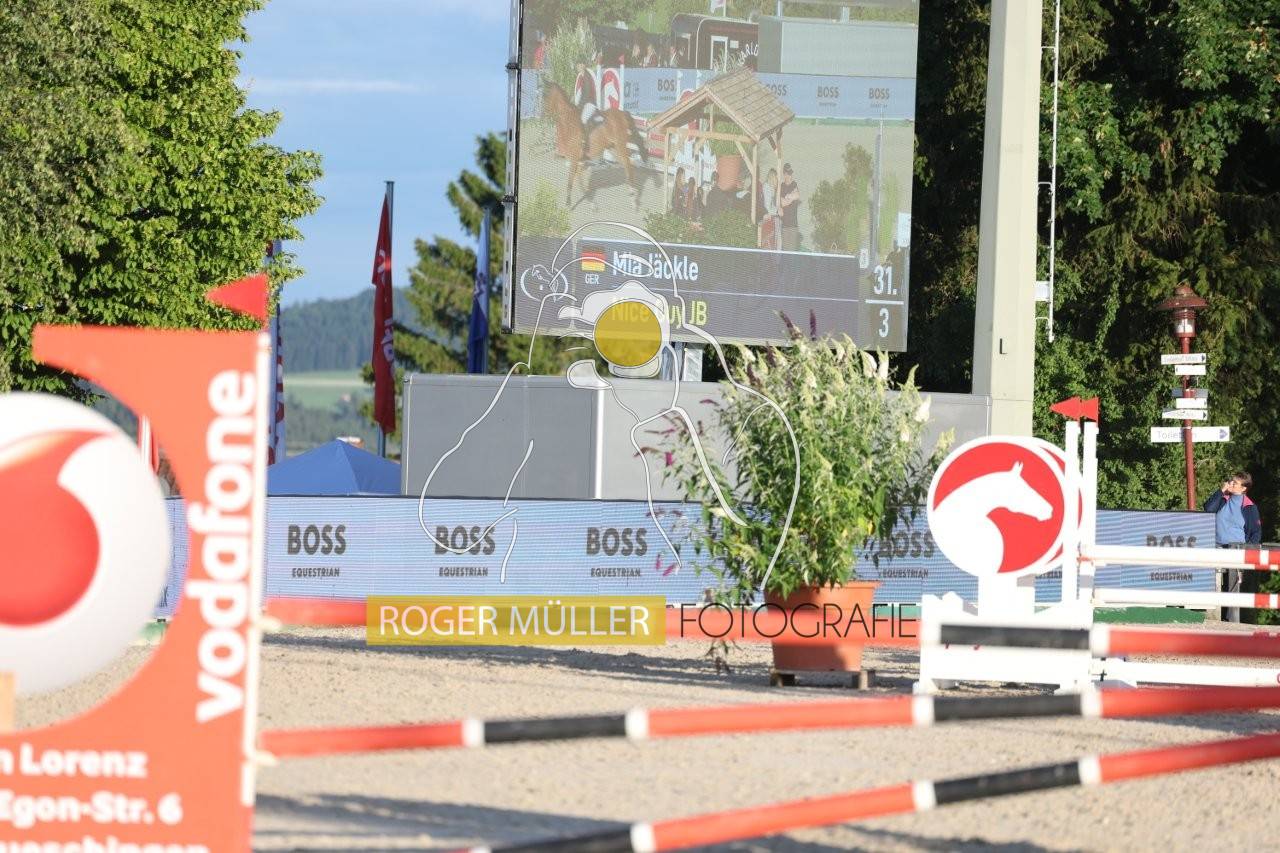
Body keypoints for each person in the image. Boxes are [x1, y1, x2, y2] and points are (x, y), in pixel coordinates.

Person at [1203, 471, 1262, 622]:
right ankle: (1213, 617)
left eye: (1235, 483)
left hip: (1237, 551)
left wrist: (1248, 555)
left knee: (1233, 586)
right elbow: (1208, 509)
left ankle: (1231, 620)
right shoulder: (1223, 498)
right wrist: (1221, 490)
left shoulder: (1250, 507)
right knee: (1215, 583)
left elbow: (1255, 533)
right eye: (1231, 481)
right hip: (1216, 547)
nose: (1231, 483)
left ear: (1243, 488)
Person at [779, 162, 801, 250]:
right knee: (785, 250)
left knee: (792, 251)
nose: (790, 176)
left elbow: (798, 195)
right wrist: (791, 197)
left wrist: (787, 197)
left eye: (790, 174)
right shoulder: (781, 186)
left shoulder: (794, 184)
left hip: (793, 224)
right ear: (784, 174)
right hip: (784, 224)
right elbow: (782, 203)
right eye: (788, 174)